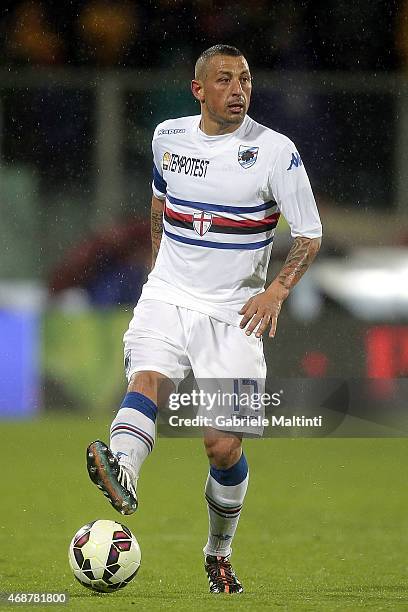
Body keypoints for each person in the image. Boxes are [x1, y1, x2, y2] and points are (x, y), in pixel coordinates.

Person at [86, 44, 322, 594]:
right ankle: (123, 471)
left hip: (234, 312)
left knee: (222, 446)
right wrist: (155, 271)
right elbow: (158, 204)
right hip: (168, 294)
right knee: (148, 381)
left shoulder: (274, 152)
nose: (238, 89)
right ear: (199, 90)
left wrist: (276, 292)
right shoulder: (168, 137)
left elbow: (309, 234)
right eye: (224, 80)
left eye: (245, 79)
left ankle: (218, 551)